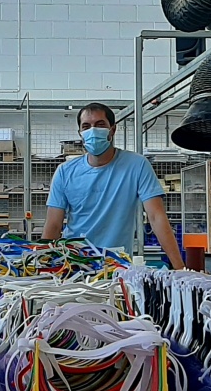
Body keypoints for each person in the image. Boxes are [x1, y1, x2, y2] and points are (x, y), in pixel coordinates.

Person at [42, 103, 185, 269]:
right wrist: (43, 266)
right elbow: (53, 224)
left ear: (113, 129)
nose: (93, 131)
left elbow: (156, 216)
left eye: (100, 124)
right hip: (74, 264)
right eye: (86, 126)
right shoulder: (65, 172)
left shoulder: (137, 165)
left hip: (117, 265)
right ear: (80, 133)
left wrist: (180, 268)